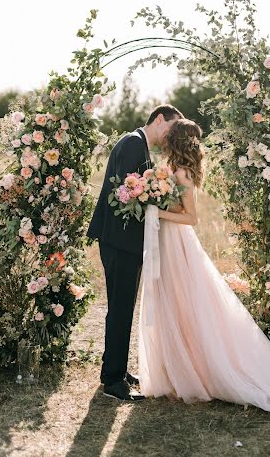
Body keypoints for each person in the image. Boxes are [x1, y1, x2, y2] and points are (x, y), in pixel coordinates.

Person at [138, 118, 270, 418]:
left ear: (177, 141)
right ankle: (176, 370)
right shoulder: (171, 169)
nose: (165, 138)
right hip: (167, 242)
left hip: (179, 243)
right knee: (173, 304)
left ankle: (195, 371)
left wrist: (158, 211)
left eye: (170, 135)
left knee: (185, 304)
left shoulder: (182, 173)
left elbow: (191, 218)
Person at [87, 104, 183, 401]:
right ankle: (112, 380)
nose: (170, 137)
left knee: (123, 307)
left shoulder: (138, 145)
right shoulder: (132, 143)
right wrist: (157, 197)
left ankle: (117, 369)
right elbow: (125, 193)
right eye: (170, 129)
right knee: (120, 308)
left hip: (123, 242)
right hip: (119, 242)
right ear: (158, 119)